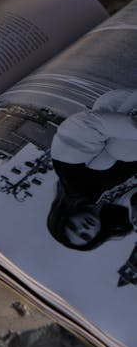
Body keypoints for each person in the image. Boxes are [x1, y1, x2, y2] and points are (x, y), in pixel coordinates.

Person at [47, 90, 137, 250]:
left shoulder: (71, 177)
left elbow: (85, 126)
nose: (84, 228)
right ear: (97, 236)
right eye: (85, 235)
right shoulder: (122, 213)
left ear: (65, 216)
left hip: (122, 108)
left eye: (73, 226)